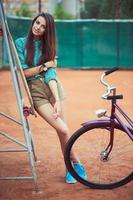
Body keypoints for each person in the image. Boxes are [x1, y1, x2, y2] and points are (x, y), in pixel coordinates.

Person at [15, 12, 87, 184]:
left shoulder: (49, 47)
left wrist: (57, 101)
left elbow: (51, 74)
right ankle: (77, 163)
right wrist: (44, 66)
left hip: (54, 89)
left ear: (48, 31)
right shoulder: (20, 43)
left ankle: (70, 168)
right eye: (37, 23)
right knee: (63, 129)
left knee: (62, 133)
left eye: (43, 26)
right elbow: (24, 73)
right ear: (33, 22)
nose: (38, 27)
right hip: (36, 93)